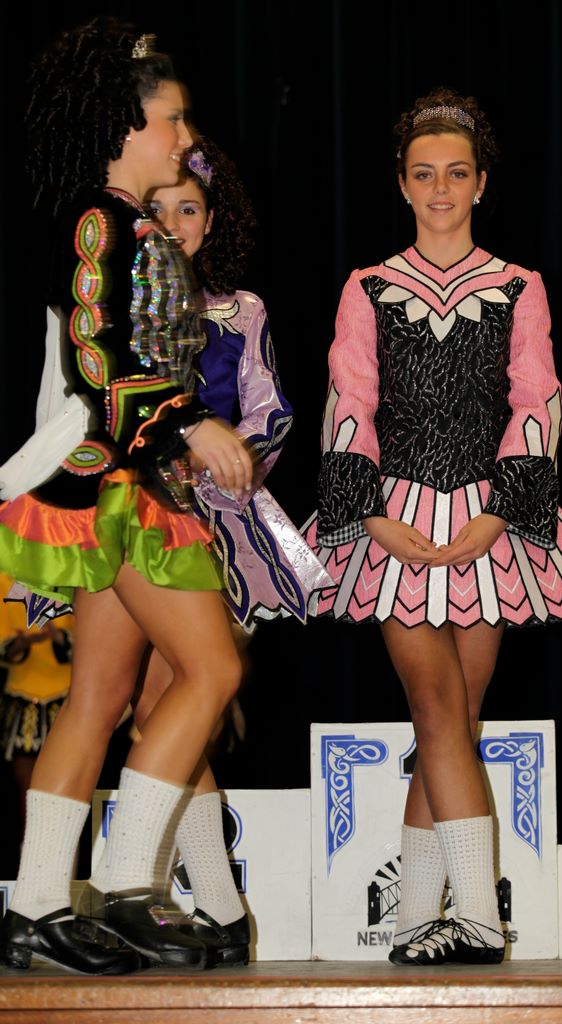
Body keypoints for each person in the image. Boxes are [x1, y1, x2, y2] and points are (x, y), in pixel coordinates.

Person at [304, 86, 562, 966]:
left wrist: (499, 514)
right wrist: (369, 514)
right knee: (436, 706)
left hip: (487, 525)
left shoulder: (518, 286)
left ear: (481, 182)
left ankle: (416, 919)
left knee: (454, 721)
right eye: (423, 174)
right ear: (401, 184)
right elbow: (348, 398)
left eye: (455, 173)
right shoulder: (367, 287)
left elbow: (536, 399)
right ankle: (480, 919)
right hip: (395, 522)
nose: (440, 188)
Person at [0, 18, 251, 974]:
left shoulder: (119, 221)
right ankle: (131, 885)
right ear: (125, 123)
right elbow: (98, 354)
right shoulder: (103, 221)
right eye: (172, 119)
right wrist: (190, 422)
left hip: (129, 478)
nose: (185, 136)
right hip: (124, 483)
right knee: (211, 672)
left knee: (99, 697)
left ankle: (34, 908)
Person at [130, 137, 330, 954]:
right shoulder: (123, 308)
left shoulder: (240, 310)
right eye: (160, 209)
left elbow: (272, 410)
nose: (175, 223)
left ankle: (198, 902)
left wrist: (222, 461)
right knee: (152, 712)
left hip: (220, 525)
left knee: (177, 701)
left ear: (211, 222)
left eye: (190, 209)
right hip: (134, 515)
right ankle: (216, 909)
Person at [0, 572, 73, 832]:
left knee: (67, 790)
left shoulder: (70, 574)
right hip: (22, 697)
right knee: (28, 792)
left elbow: (91, 642)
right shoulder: (4, 579)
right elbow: (4, 646)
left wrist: (57, 636)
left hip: (67, 697)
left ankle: (68, 848)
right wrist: (22, 642)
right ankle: (30, 844)